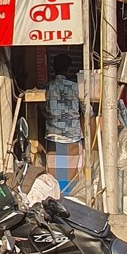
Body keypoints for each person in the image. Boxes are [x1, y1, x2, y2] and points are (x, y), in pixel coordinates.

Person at [44, 53, 83, 193]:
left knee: (54, 173)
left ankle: (56, 198)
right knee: (73, 175)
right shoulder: (76, 87)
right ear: (68, 69)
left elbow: (42, 109)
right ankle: (72, 199)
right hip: (73, 136)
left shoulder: (47, 88)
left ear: (53, 68)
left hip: (53, 136)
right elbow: (87, 111)